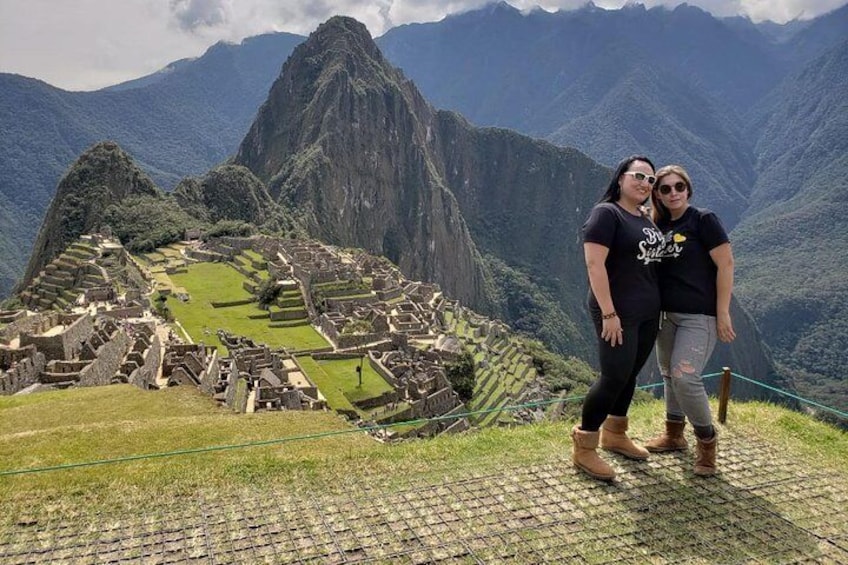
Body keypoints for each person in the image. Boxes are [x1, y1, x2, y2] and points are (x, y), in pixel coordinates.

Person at [573, 155, 664, 481]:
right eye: (638, 176)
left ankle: (616, 433)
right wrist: (609, 313)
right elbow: (595, 266)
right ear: (621, 178)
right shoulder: (606, 214)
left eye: (650, 180)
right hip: (617, 311)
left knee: (629, 374)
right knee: (613, 376)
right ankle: (585, 445)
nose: (644, 184)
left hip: (647, 312)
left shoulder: (642, 216)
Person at [644, 165, 735, 476]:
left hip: (699, 316)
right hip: (665, 315)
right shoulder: (656, 224)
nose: (673, 193)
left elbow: (726, 265)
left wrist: (722, 312)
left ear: (688, 189)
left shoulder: (703, 220)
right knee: (669, 373)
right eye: (665, 188)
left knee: (686, 377)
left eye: (678, 186)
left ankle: (706, 440)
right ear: (657, 193)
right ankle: (673, 435)